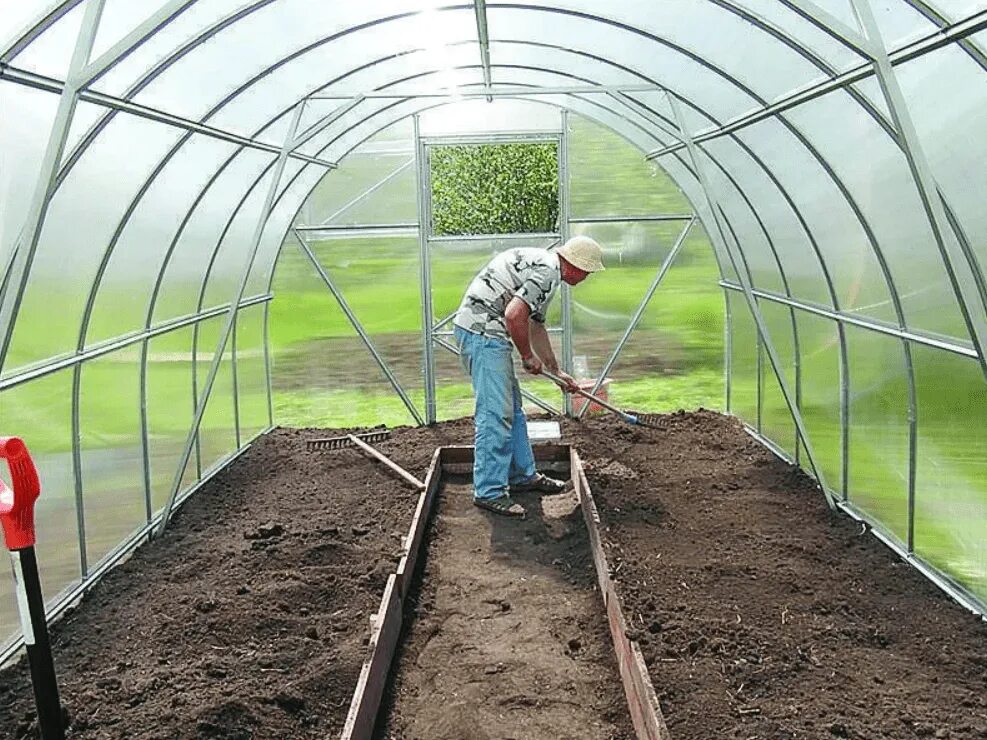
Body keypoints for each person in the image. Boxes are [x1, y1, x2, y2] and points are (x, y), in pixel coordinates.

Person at [453, 236, 606, 518]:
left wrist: (556, 370)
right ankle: (489, 491)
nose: (586, 277)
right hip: (482, 332)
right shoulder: (547, 271)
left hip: (490, 334)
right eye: (587, 271)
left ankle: (521, 474)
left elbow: (535, 326)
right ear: (575, 265)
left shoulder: (547, 271)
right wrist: (526, 356)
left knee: (513, 411)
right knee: (496, 413)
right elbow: (514, 316)